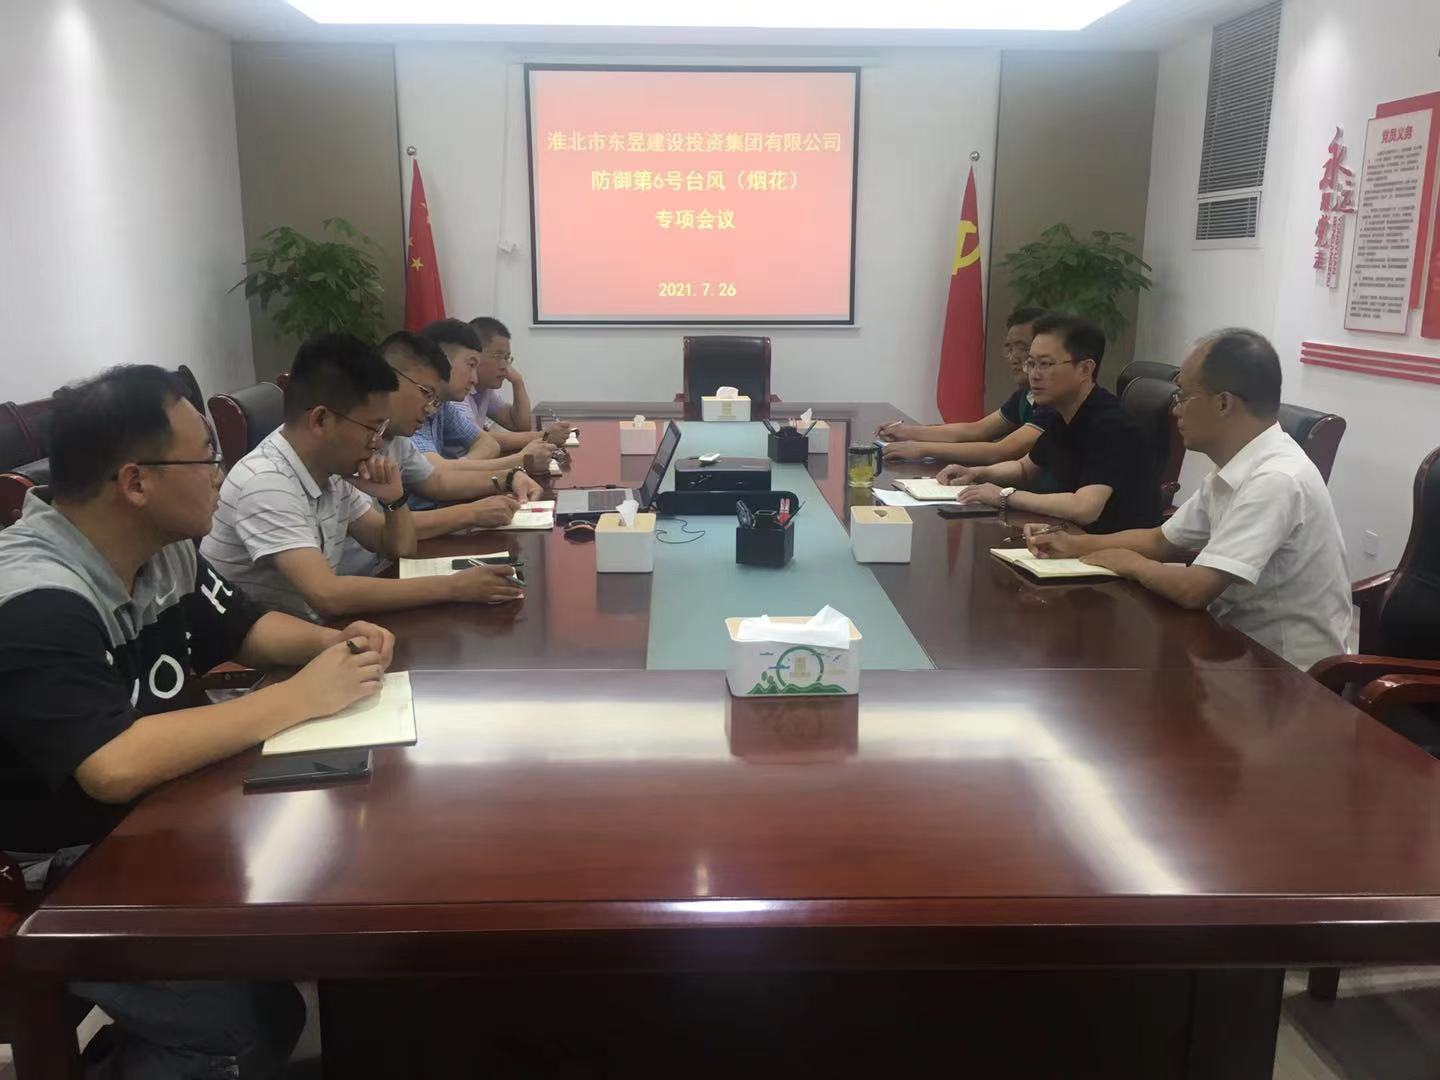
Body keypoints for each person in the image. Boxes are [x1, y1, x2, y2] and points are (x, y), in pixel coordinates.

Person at [0, 364, 396, 1077]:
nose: (223, 473)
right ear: (136, 482)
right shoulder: (36, 600)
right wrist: (300, 698)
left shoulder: (163, 548)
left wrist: (337, 643)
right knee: (245, 1023)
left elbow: (245, 629)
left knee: (323, 905)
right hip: (54, 873)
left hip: (152, 823)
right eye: (206, 457)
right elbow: (112, 765)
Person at [1025, 329, 1353, 670]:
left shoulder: (1276, 479)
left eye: (1183, 395)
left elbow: (1195, 589)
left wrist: (1131, 563)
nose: (1177, 410)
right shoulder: (1235, 467)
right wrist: (1075, 545)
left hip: (1285, 673)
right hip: (1231, 646)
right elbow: (1161, 540)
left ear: (1223, 403)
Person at [201, 333, 524, 620]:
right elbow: (327, 594)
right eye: (372, 428)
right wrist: (454, 587)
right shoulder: (266, 481)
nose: (377, 443)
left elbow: (398, 548)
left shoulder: (333, 469)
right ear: (320, 420)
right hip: (265, 658)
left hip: (321, 631)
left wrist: (394, 500)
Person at [938, 313, 1160, 533]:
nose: (1034, 375)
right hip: (1073, 536)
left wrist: (1006, 496)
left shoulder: (1111, 425)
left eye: (1045, 364)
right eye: (1031, 363)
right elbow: (1024, 469)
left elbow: (1085, 508)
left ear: (1085, 369)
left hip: (1117, 547)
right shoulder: (1062, 412)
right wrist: (976, 473)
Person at [379, 329, 545, 535]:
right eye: (426, 392)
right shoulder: (368, 438)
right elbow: (379, 529)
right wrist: (472, 512)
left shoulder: (398, 439)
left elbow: (437, 480)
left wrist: (508, 477)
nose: (430, 407)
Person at [877, 306, 1056, 466]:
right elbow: (976, 430)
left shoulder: (1054, 401)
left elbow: (1001, 451)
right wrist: (906, 432)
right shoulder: (1025, 395)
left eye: (1023, 348)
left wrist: (922, 448)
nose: (1013, 358)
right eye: (1009, 349)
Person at [413, 319, 564, 483]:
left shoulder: (444, 406)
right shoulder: (411, 410)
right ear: (440, 362)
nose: (474, 378)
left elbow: (489, 443)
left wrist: (459, 468)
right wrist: (521, 460)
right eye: (471, 365)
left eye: (507, 358)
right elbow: (435, 474)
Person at [463, 315, 537, 433]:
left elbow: (520, 425)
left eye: (507, 358)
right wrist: (542, 436)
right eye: (498, 356)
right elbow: (474, 437)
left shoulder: (484, 389)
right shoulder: (457, 391)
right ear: (474, 355)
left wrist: (518, 382)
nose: (504, 366)